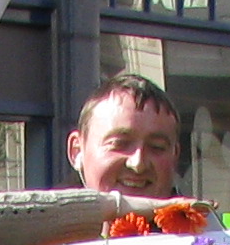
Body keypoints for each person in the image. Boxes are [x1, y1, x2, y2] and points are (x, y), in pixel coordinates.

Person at [66, 71, 181, 199]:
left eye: (156, 147)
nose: (138, 164)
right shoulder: (45, 217)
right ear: (76, 151)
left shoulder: (202, 218)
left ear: (174, 156)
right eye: (119, 144)